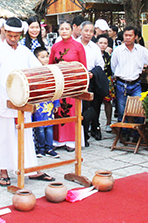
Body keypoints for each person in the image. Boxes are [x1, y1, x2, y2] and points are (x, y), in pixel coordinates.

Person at [0, 17, 55, 187]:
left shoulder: (24, 51)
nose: (13, 39)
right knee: (6, 135)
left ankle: (30, 168)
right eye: (10, 35)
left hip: (23, 99)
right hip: (5, 98)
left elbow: (36, 69)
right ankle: (4, 170)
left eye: (16, 36)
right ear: (4, 32)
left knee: (25, 133)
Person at [49, 21, 87, 151]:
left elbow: (83, 67)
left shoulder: (78, 46)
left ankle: (72, 140)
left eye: (67, 29)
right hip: (59, 84)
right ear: (59, 31)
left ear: (72, 30)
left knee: (71, 111)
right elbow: (50, 66)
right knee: (58, 110)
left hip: (73, 83)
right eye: (61, 29)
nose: (64, 31)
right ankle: (58, 140)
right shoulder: (55, 46)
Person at [78, 21, 107, 143]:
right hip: (77, 79)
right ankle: (81, 134)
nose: (88, 34)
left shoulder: (94, 47)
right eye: (86, 30)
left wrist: (92, 73)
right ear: (80, 30)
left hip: (90, 79)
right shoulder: (74, 44)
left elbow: (100, 64)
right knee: (79, 108)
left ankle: (91, 129)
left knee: (91, 106)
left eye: (91, 31)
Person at [32, 46, 60, 158]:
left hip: (49, 102)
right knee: (39, 127)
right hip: (38, 103)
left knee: (49, 127)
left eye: (47, 56)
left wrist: (56, 102)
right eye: (42, 57)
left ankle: (49, 147)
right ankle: (40, 148)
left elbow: (56, 87)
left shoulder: (52, 71)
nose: (45, 59)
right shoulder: (34, 72)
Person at [97, 34, 115, 133]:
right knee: (95, 103)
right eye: (101, 43)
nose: (103, 45)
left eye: (105, 43)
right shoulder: (94, 55)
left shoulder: (108, 56)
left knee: (108, 102)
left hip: (107, 80)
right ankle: (95, 123)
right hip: (96, 80)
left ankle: (108, 123)